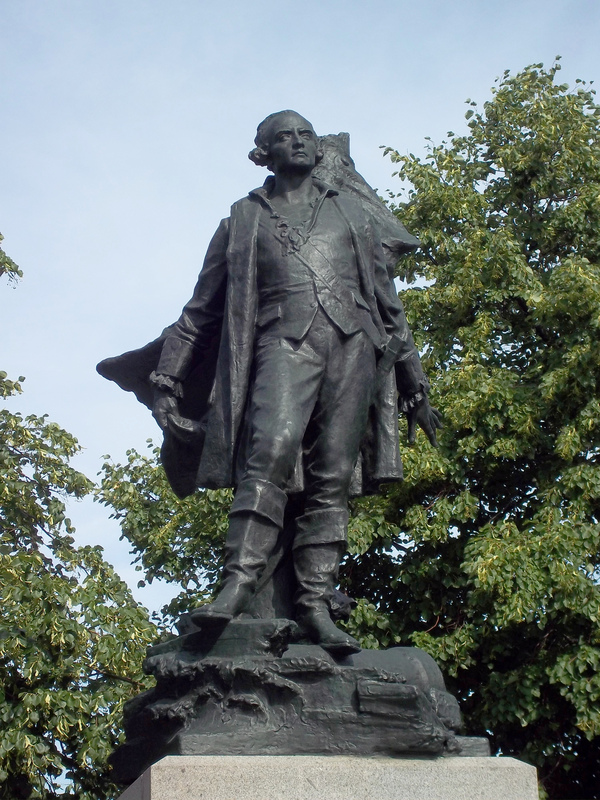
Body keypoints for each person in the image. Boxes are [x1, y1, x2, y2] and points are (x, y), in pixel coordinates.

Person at [100, 111, 441, 656]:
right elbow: (200, 312)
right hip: (282, 342)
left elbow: (389, 306)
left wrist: (415, 382)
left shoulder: (352, 213)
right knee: (271, 450)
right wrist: (166, 375)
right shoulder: (242, 220)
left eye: (306, 134)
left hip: (353, 345)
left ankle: (314, 600)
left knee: (332, 474)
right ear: (264, 152)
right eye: (286, 136)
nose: (300, 142)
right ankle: (237, 582)